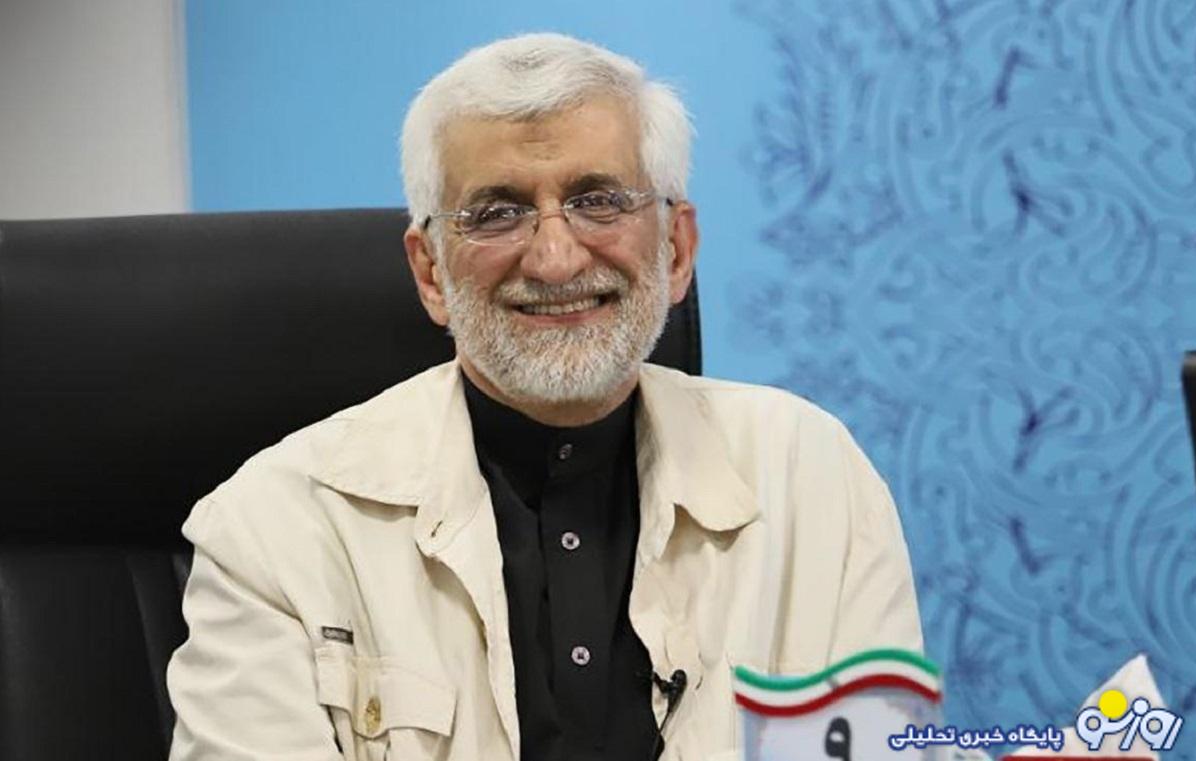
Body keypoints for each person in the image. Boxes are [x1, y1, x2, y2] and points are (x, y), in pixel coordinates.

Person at [166, 32, 922, 761]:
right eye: (497, 213)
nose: (555, 259)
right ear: (431, 272)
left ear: (676, 249)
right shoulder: (275, 527)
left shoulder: (810, 477)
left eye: (599, 200)